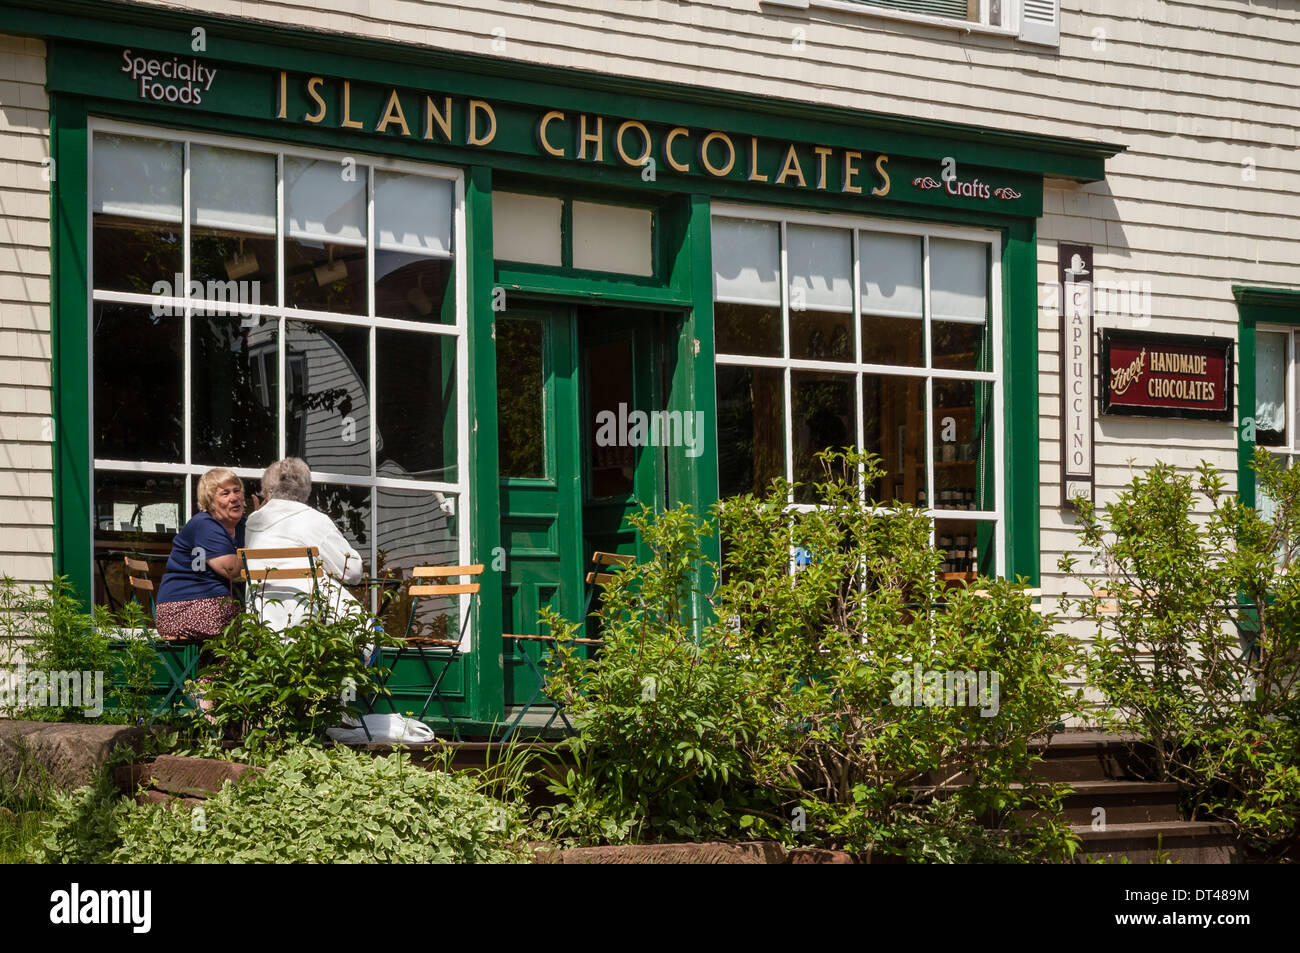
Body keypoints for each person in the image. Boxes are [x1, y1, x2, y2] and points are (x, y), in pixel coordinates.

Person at [243, 457, 365, 631]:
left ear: (267, 489)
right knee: (369, 632)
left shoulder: (253, 522)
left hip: (263, 621)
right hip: (310, 623)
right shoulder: (313, 519)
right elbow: (352, 572)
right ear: (306, 488)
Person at [155, 467, 247, 641]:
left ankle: (217, 669)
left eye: (237, 491)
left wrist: (260, 522)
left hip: (215, 603)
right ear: (210, 502)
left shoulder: (243, 524)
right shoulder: (205, 524)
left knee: (250, 619)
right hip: (182, 608)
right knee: (252, 625)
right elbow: (231, 569)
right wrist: (258, 553)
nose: (234, 498)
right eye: (225, 494)